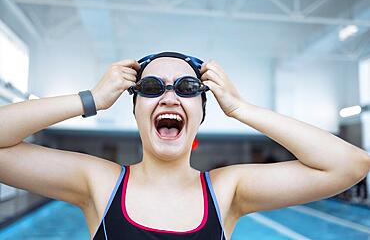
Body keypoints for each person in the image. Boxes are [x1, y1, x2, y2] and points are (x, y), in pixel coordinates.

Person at [0, 51, 369, 240]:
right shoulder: (99, 183)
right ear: (135, 110)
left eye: (188, 89)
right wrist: (91, 98)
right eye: (151, 88)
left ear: (202, 113)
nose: (170, 97)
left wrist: (242, 108)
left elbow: (349, 164)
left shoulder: (227, 190)